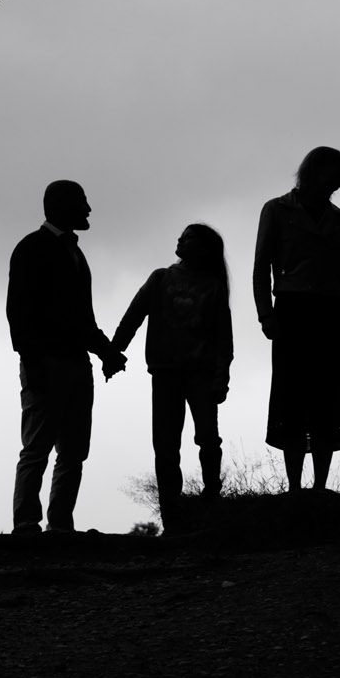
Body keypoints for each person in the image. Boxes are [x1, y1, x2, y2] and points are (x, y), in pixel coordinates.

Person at [250, 146, 340, 492]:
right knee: (292, 396)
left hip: (328, 312)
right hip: (291, 310)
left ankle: (320, 486)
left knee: (327, 396)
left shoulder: (339, 220)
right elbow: (261, 268)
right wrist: (265, 315)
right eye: (338, 174)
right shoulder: (276, 210)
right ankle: (294, 486)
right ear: (316, 172)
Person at [5, 178, 124, 536]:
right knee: (40, 449)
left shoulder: (69, 252)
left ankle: (58, 526)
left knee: (70, 452)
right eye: (82, 202)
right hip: (48, 363)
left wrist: (105, 353)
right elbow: (19, 313)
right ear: (62, 206)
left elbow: (81, 319)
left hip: (72, 363)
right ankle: (28, 524)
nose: (88, 209)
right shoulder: (33, 248)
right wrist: (33, 361)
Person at [108, 223, 234, 521]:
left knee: (206, 437)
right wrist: (114, 352)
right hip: (165, 372)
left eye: (189, 238)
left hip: (200, 373)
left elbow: (223, 338)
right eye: (182, 236)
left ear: (204, 249)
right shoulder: (161, 278)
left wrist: (221, 377)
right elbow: (132, 317)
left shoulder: (213, 287)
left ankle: (211, 496)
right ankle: (171, 511)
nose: (181, 240)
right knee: (166, 444)